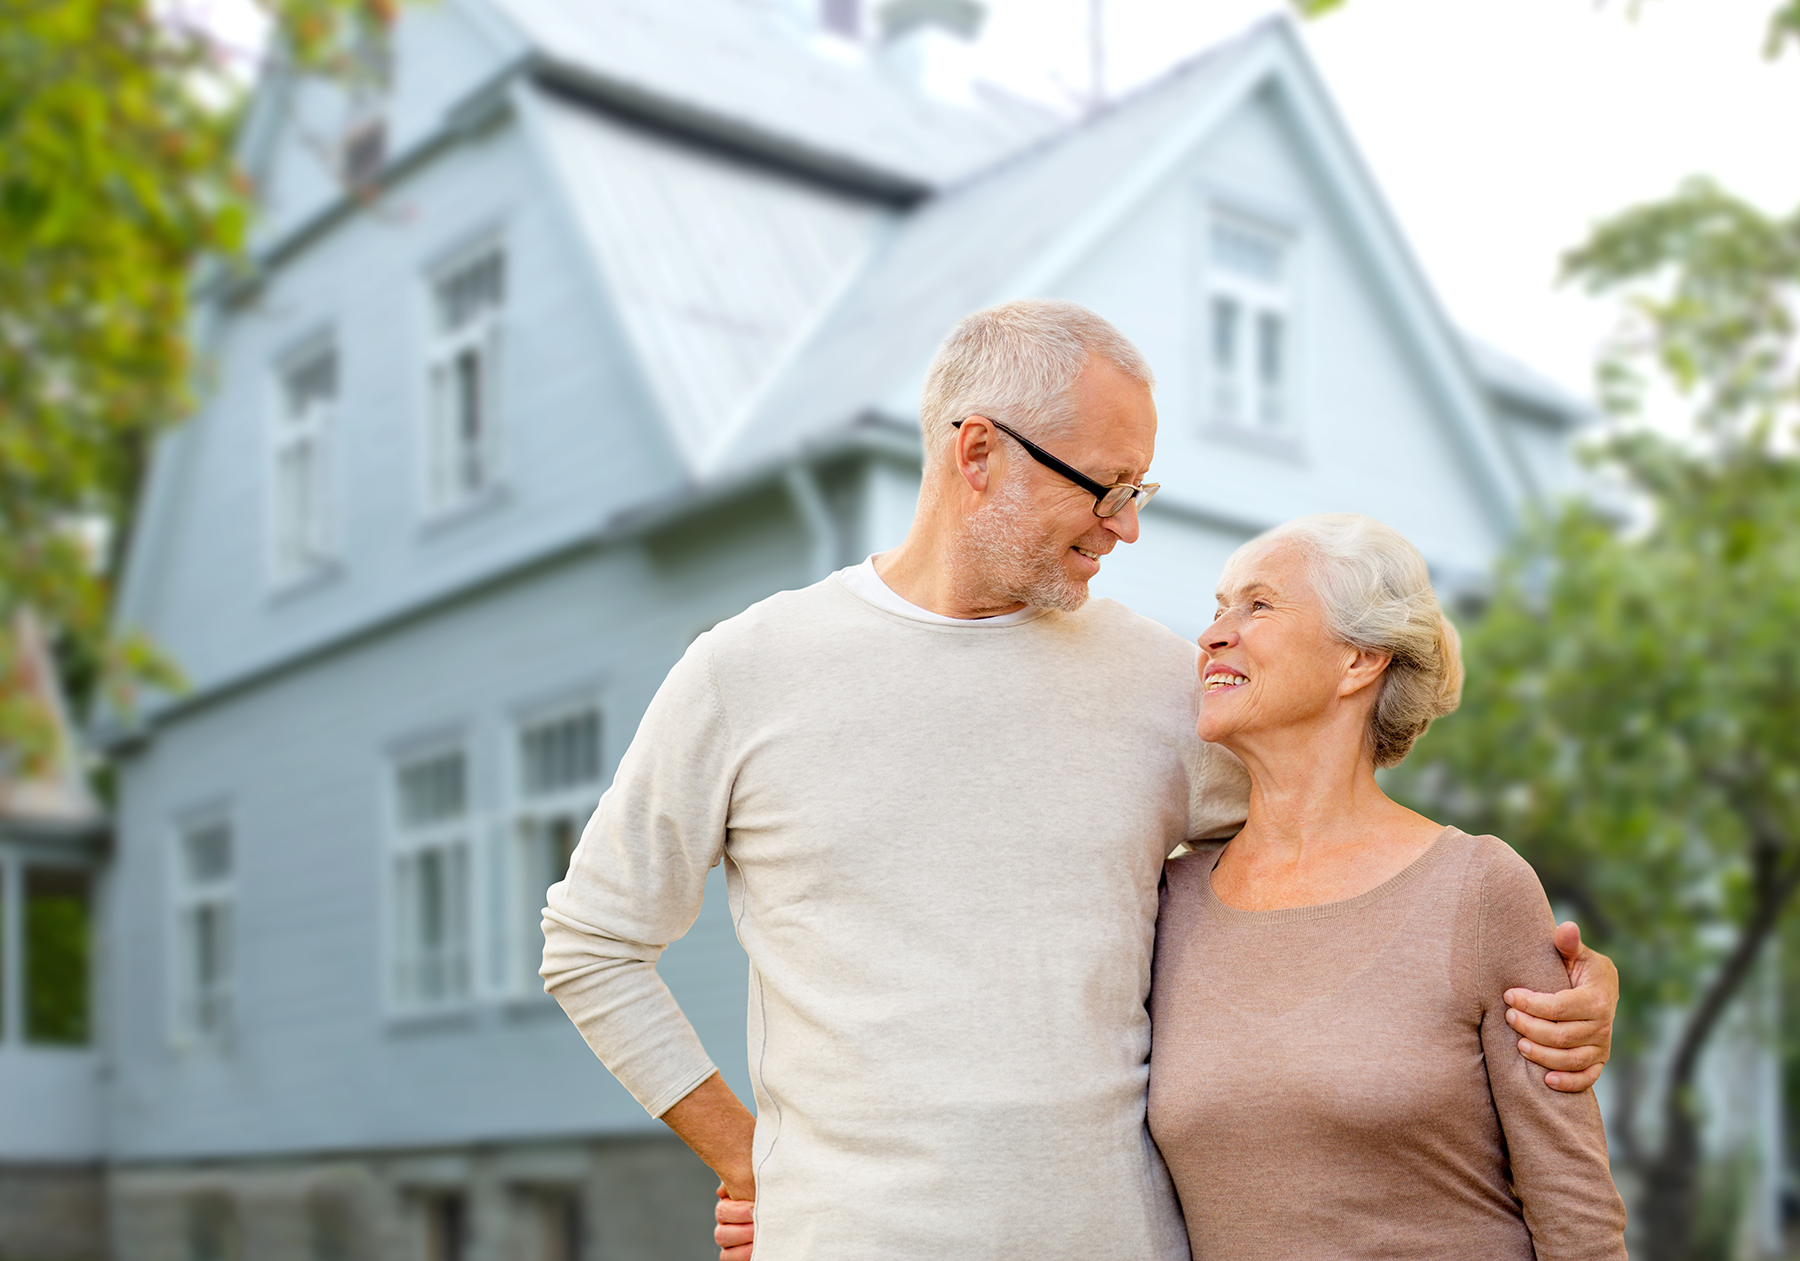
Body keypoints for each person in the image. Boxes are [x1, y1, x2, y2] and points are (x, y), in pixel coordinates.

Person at [539, 301, 1619, 1261]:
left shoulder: (1161, 683)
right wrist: (748, 1157)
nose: (1128, 524)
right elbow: (592, 944)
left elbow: (1346, 862)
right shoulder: (748, 669)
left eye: (1140, 489)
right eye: (1106, 486)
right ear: (977, 456)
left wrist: (1553, 987)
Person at [1149, 513, 1628, 1259]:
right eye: (1217, 608)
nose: (1213, 633)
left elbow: (1577, 1212)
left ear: (1360, 660)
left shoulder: (1477, 887)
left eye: (1258, 604)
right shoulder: (1168, 900)